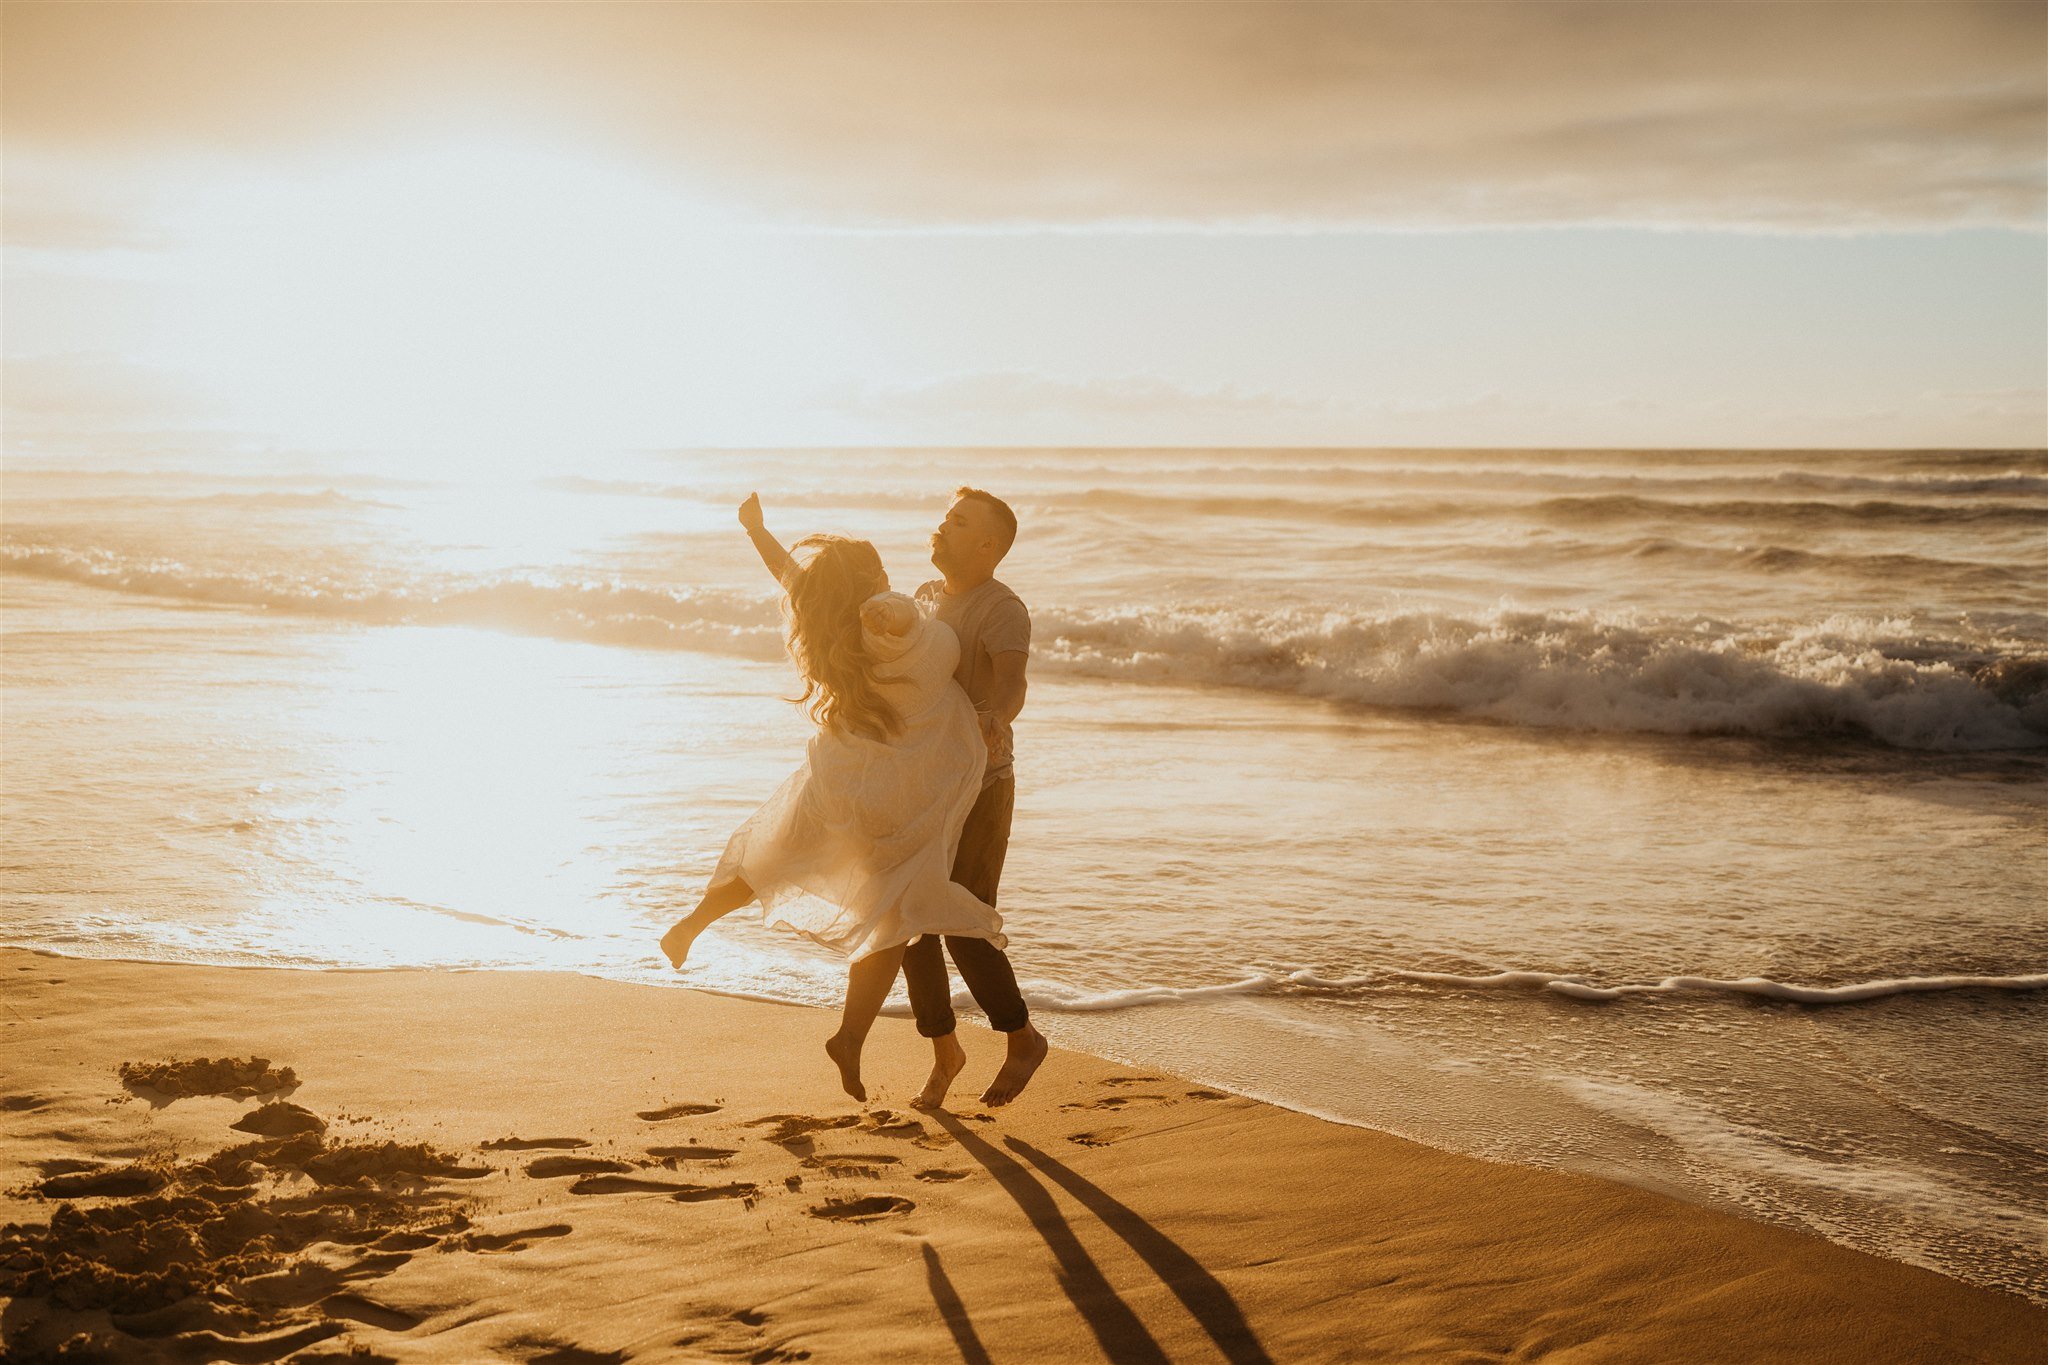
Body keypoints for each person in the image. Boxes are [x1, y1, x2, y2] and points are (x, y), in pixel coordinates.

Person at [658, 495, 1001, 1103]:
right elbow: (889, 613)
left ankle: (693, 922)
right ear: (873, 580)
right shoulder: (885, 610)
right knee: (893, 915)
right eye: (881, 575)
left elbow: (792, 580)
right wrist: (890, 616)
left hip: (840, 775)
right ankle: (849, 1036)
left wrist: (758, 532)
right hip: (896, 791)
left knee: (771, 857)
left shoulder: (829, 626)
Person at [900, 488, 1049, 1109]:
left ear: (987, 546)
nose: (941, 527)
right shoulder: (926, 597)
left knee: (961, 921)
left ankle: (1021, 1037)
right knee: (908, 918)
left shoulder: (1002, 609)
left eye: (957, 523)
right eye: (944, 517)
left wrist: (994, 716)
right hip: (924, 780)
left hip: (983, 785)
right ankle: (945, 1050)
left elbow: (1013, 687)